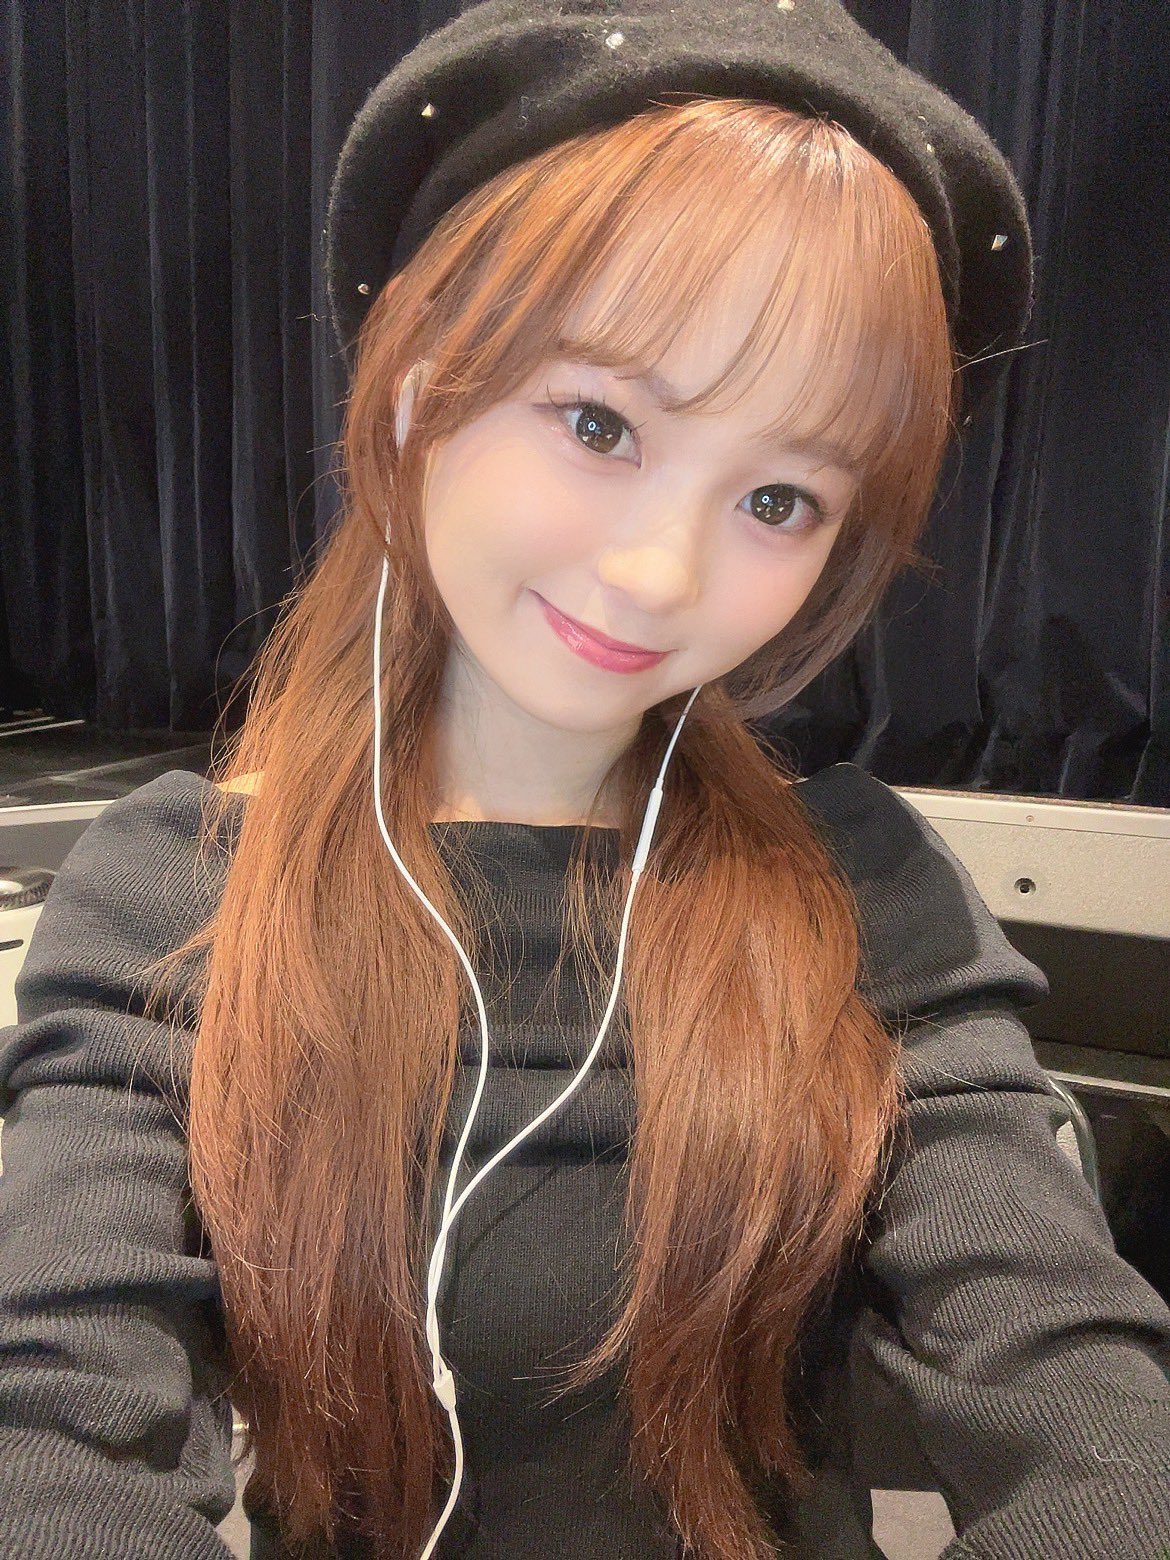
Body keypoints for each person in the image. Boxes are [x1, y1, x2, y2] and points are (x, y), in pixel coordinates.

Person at [2, 2, 1169, 1557]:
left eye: (778, 498)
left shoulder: (861, 893)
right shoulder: (178, 889)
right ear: (417, 388)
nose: (657, 572)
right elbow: (52, 1434)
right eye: (599, 423)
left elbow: (1084, 1407)